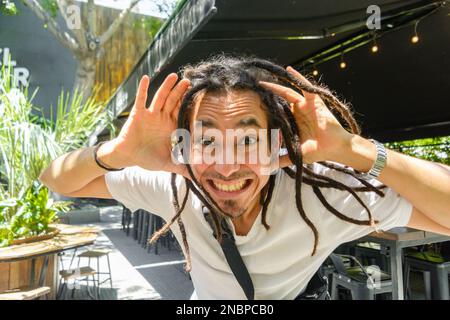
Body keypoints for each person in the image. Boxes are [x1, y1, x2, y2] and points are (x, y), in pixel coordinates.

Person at [39, 55, 450, 299]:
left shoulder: (318, 192)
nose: (227, 166)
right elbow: (57, 180)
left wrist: (354, 150)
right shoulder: (177, 183)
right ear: (184, 145)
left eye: (249, 140)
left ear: (279, 143)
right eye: (208, 141)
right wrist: (118, 152)